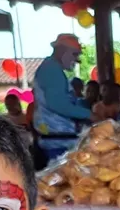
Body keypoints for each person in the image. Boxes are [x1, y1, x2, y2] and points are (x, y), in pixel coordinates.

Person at [31, 33, 92, 161]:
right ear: (62, 51)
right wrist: (88, 114)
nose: (77, 60)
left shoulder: (51, 68)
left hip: (58, 139)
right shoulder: (51, 70)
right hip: (57, 141)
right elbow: (57, 104)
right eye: (75, 54)